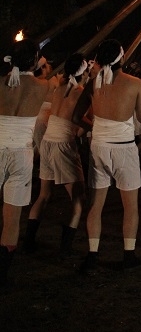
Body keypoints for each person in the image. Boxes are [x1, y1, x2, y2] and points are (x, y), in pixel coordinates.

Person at [72, 39, 141, 272]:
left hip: (99, 147)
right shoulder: (134, 83)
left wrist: (98, 125)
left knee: (96, 205)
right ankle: (128, 254)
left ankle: (92, 256)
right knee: (130, 206)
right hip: (123, 147)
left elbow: (77, 116)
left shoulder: (94, 82)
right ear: (121, 58)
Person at [23, 53, 91, 256]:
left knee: (44, 194)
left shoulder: (58, 88)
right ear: (82, 72)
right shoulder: (81, 92)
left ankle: (28, 240)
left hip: (48, 143)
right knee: (79, 199)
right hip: (62, 144)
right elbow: (79, 120)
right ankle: (66, 246)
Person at [0, 39, 50, 286]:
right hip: (22, 153)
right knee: (12, 217)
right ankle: (3, 273)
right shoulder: (43, 86)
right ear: (36, 60)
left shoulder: (1, 84)